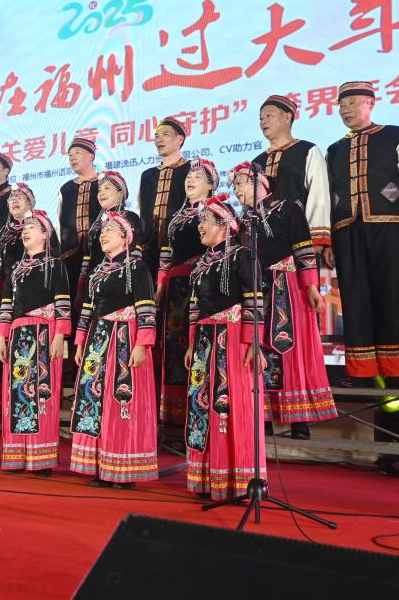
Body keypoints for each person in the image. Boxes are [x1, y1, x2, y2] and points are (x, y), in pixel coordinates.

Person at [326, 81, 399, 388]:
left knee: (392, 296)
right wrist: (327, 239)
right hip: (346, 231)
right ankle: (361, 372)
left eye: (353, 103)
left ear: (371, 103)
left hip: (389, 226)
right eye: (342, 105)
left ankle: (398, 372)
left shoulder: (395, 134)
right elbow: (327, 197)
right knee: (354, 299)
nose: (346, 110)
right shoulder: (334, 149)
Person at [231, 162, 337, 440]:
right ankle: (263, 418)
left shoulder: (288, 209)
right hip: (255, 290)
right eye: (234, 185)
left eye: (240, 183)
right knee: (259, 349)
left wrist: (311, 285)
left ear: (260, 182)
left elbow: (303, 248)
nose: (236, 190)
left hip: (286, 287)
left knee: (289, 348)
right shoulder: (241, 221)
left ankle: (299, 420)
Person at [184, 194, 266, 500]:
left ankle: (238, 479)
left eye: (205, 220)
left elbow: (254, 298)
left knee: (231, 403)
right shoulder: (201, 263)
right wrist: (191, 342)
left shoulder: (243, 255)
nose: (199, 226)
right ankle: (209, 479)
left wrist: (253, 341)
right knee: (202, 404)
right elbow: (194, 307)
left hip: (233, 338)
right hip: (205, 340)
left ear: (225, 225)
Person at [71, 212, 159, 488]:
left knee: (121, 401)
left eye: (109, 229)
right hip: (98, 340)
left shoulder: (137, 268)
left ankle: (124, 468)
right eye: (102, 231)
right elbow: (87, 309)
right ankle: (102, 466)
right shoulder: (97, 271)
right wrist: (80, 341)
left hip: (125, 338)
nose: (103, 234)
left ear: (125, 236)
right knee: (96, 400)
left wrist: (142, 344)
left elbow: (147, 309)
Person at [0, 210, 71, 475]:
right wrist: (1, 338)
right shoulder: (16, 269)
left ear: (46, 234)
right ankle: (17, 454)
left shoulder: (55, 265)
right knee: (16, 393)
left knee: (42, 393)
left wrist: (60, 335)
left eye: (32, 227)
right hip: (18, 335)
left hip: (43, 333)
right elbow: (6, 305)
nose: (25, 231)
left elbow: (63, 302)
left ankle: (41, 458)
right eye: (24, 228)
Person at [155, 158, 217, 425]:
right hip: (176, 287)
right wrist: (160, 286)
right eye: (188, 177)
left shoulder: (216, 213)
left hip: (205, 284)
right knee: (174, 346)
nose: (190, 181)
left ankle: (202, 410)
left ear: (211, 185)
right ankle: (174, 417)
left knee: (199, 344)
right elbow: (166, 254)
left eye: (198, 177)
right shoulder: (176, 216)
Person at [252, 95, 332, 257]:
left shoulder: (307, 150)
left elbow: (319, 194)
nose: (263, 122)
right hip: (265, 242)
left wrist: (316, 237)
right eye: (261, 118)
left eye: (269, 116)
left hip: (300, 237)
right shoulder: (257, 162)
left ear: (287, 117)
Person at [0, 182, 35, 413]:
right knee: (1, 341)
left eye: (19, 198)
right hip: (5, 293)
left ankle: (25, 395)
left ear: (30, 203)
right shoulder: (3, 232)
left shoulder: (39, 227)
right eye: (11, 199)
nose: (14, 202)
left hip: (29, 295)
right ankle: (0, 400)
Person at [138, 116, 191, 275]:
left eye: (165, 134)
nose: (158, 140)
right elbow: (143, 213)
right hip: (149, 248)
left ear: (180, 139)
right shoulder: (147, 175)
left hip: (182, 244)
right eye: (156, 136)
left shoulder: (192, 170)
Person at [80, 171, 143, 285]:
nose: (101, 193)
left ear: (120, 192)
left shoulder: (129, 217)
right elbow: (88, 256)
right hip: (95, 279)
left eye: (107, 188)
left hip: (121, 277)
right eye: (99, 190)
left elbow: (135, 251)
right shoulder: (95, 224)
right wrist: (82, 283)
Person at [57, 137, 101, 301]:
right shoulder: (66, 188)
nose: (72, 158)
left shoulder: (105, 182)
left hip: (100, 251)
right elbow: (59, 221)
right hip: (71, 254)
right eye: (70, 155)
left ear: (91, 156)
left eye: (77, 153)